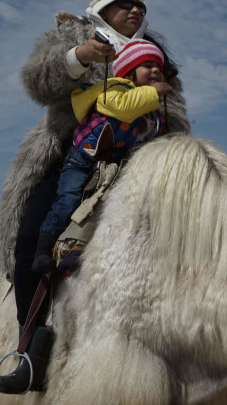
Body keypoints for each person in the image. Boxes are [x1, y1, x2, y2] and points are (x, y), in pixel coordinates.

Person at [0, 0, 190, 396]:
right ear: (101, 8)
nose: (135, 9)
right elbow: (36, 82)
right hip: (72, 151)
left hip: (140, 158)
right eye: (125, 2)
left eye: (140, 4)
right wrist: (77, 57)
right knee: (30, 238)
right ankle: (30, 353)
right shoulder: (73, 37)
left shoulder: (156, 55)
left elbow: (173, 113)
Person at [31, 40, 171, 273]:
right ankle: (43, 248)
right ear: (129, 71)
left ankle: (85, 250)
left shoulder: (148, 110)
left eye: (159, 67)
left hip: (114, 165)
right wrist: (153, 92)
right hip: (83, 159)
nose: (156, 70)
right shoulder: (113, 90)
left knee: (111, 208)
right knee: (68, 199)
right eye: (147, 66)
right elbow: (125, 108)